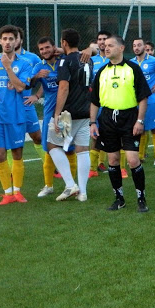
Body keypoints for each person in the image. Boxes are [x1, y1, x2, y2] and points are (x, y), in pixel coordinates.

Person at [90, 35, 151, 212]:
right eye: (105, 45)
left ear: (121, 48)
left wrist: (140, 120)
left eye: (110, 45)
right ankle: (119, 198)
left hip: (129, 118)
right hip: (107, 119)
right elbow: (94, 101)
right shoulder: (102, 71)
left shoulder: (133, 69)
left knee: (132, 160)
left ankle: (141, 198)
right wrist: (93, 122)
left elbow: (143, 98)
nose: (106, 48)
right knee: (113, 159)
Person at [0, 25, 33, 205]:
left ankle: (17, 191)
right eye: (4, 39)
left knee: (17, 153)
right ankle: (7, 193)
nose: (7, 42)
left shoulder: (24, 64)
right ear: (0, 41)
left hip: (17, 116)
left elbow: (20, 87)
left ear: (16, 41)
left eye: (11, 39)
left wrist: (8, 68)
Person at [47, 28, 93, 202]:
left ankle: (70, 184)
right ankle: (83, 192)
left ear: (64, 42)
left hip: (69, 113)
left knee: (52, 145)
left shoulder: (64, 62)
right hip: (86, 110)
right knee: (82, 149)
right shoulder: (88, 59)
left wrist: (57, 113)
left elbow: (64, 88)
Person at [30, 37, 77, 197]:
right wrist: (37, 77)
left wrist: (63, 51)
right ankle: (48, 185)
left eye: (47, 47)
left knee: (69, 149)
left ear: (54, 47)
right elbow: (29, 83)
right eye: (41, 49)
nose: (44, 51)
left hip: (66, 110)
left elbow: (78, 53)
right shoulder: (39, 66)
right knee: (49, 149)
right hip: (50, 110)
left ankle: (71, 185)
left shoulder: (64, 60)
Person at [130, 38, 155, 166]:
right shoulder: (131, 63)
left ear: (144, 47)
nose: (136, 48)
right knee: (140, 129)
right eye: (134, 45)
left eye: (139, 45)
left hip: (152, 100)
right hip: (137, 100)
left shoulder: (154, 61)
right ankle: (140, 156)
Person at [14, 27, 45, 163]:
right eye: (8, 38)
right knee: (13, 142)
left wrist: (37, 96)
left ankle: (50, 168)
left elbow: (46, 78)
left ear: (21, 40)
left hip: (26, 105)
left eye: (15, 38)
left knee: (38, 137)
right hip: (9, 107)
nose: (12, 41)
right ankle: (12, 171)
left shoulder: (32, 58)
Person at [87, 30, 112, 177]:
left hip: (112, 103)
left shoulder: (113, 59)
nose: (102, 42)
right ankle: (92, 169)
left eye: (105, 39)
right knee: (95, 135)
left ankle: (103, 163)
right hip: (97, 103)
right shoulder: (91, 60)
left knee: (111, 134)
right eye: (100, 39)